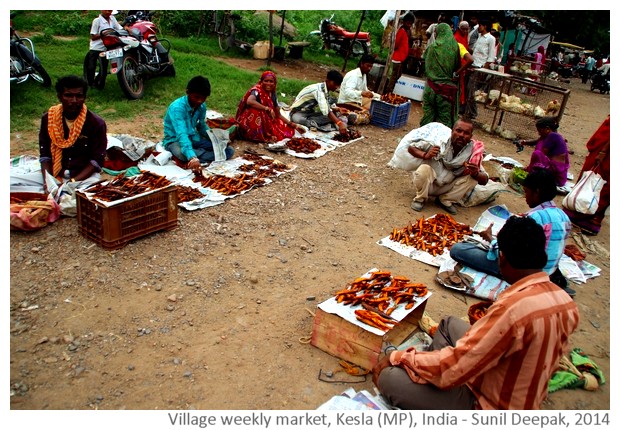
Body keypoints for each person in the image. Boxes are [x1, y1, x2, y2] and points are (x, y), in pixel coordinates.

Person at [373, 215, 579, 410]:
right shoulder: (564, 301)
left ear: (503, 258)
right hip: (512, 383)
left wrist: (398, 357)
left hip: (488, 402)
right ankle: (429, 375)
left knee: (389, 378)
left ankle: (431, 382)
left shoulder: (512, 310)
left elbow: (456, 365)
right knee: (448, 325)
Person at [450, 169, 575, 296]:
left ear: (536, 192)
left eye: (526, 192)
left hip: (524, 272)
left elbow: (515, 256)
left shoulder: (534, 219)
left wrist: (490, 239)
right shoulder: (563, 216)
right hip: (549, 270)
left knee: (458, 249)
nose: (525, 197)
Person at [10, 75, 107, 206]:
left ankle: (53, 195)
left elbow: (96, 161)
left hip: (82, 178)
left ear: (84, 98)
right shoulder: (48, 119)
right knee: (10, 181)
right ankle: (51, 193)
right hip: (55, 174)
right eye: (68, 95)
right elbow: (45, 156)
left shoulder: (96, 123)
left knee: (89, 198)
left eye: (79, 96)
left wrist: (70, 182)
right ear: (59, 96)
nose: (74, 100)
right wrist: (47, 181)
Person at [408, 118, 488, 215]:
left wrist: (475, 173)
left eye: (466, 133)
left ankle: (445, 200)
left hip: (448, 188)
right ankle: (420, 199)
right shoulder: (439, 143)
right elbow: (411, 147)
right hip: (429, 184)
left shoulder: (473, 153)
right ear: (452, 131)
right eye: (458, 131)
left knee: (473, 178)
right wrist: (426, 155)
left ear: (471, 136)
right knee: (423, 169)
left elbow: (485, 179)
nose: (461, 135)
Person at [163, 75, 234, 173]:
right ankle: (194, 156)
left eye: (203, 98)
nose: (200, 101)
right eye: (196, 97)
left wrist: (218, 139)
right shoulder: (177, 108)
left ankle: (197, 154)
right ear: (188, 92)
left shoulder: (201, 106)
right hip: (175, 140)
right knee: (182, 155)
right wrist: (192, 157)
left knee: (229, 150)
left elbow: (202, 126)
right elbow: (181, 134)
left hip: (193, 139)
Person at [563, 115, 610, 236]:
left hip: (607, 151)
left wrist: (603, 151)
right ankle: (590, 216)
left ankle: (587, 215)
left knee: (599, 181)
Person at [235, 71, 305, 143]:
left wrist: (293, 125)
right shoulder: (257, 90)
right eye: (266, 81)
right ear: (261, 81)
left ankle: (265, 134)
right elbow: (250, 101)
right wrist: (266, 108)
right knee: (257, 111)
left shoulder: (273, 95)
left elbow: (278, 114)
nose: (268, 84)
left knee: (281, 129)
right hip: (250, 120)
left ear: (274, 83)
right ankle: (251, 135)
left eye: (271, 81)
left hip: (265, 122)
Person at [419, 23, 461, 128]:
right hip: (446, 90)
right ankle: (440, 142)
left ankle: (424, 139)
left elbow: (425, 63)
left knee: (428, 115)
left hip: (431, 88)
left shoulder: (432, 47)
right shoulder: (455, 48)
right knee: (444, 120)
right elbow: (457, 66)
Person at [289, 70, 348, 134]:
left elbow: (326, 106)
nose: (337, 87)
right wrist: (339, 123)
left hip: (309, 112)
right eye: (335, 84)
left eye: (338, 85)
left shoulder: (325, 90)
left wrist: (338, 109)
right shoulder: (318, 90)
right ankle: (316, 123)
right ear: (327, 81)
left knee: (333, 114)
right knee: (297, 119)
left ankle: (315, 123)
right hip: (297, 112)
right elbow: (326, 111)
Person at [521, 116, 570, 187]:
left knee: (537, 154)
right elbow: (537, 141)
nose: (539, 133)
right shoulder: (552, 136)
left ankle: (532, 173)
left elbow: (542, 155)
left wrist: (530, 168)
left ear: (547, 129)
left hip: (555, 176)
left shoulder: (552, 136)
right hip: (558, 175)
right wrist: (524, 142)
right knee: (540, 145)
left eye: (540, 131)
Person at [463, 20, 495, 120]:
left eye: (480, 26)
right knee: (468, 90)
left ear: (485, 26)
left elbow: (490, 57)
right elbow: (475, 52)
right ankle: (469, 111)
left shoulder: (491, 39)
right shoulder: (479, 37)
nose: (478, 28)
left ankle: (472, 112)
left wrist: (483, 70)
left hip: (479, 68)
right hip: (472, 66)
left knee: (471, 89)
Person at [336, 54, 381, 125]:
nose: (369, 68)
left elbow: (365, 91)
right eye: (368, 66)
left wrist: (379, 96)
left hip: (358, 101)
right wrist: (361, 93)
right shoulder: (353, 75)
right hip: (347, 103)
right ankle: (351, 116)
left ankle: (356, 113)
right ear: (362, 63)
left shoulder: (364, 75)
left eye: (371, 66)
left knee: (377, 102)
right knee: (367, 115)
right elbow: (347, 92)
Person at [85, 10, 124, 90]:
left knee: (104, 68)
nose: (108, 12)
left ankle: (99, 83)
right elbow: (93, 36)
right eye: (106, 10)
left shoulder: (112, 19)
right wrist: (103, 34)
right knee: (91, 67)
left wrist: (125, 28)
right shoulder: (97, 21)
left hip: (106, 48)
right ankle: (90, 84)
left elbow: (119, 29)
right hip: (96, 48)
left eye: (110, 10)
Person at [386, 13, 415, 94]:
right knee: (393, 77)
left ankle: (389, 91)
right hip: (397, 58)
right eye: (408, 23)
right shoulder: (401, 31)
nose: (409, 25)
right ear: (404, 22)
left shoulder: (407, 31)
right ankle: (388, 92)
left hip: (402, 58)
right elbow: (395, 44)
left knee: (397, 76)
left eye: (411, 24)